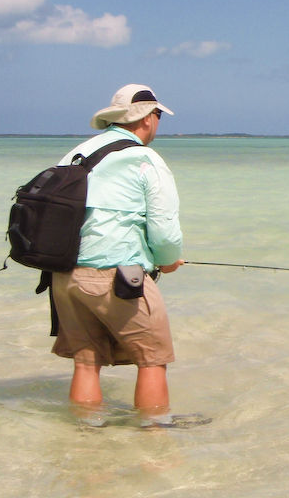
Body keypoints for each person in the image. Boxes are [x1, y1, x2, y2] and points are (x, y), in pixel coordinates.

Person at [49, 84, 187, 428]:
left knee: (85, 362)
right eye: (158, 115)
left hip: (65, 276)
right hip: (118, 277)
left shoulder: (76, 153)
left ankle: (86, 436)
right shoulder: (145, 158)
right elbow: (164, 228)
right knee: (152, 359)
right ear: (145, 118)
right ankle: (155, 435)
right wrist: (169, 261)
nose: (158, 123)